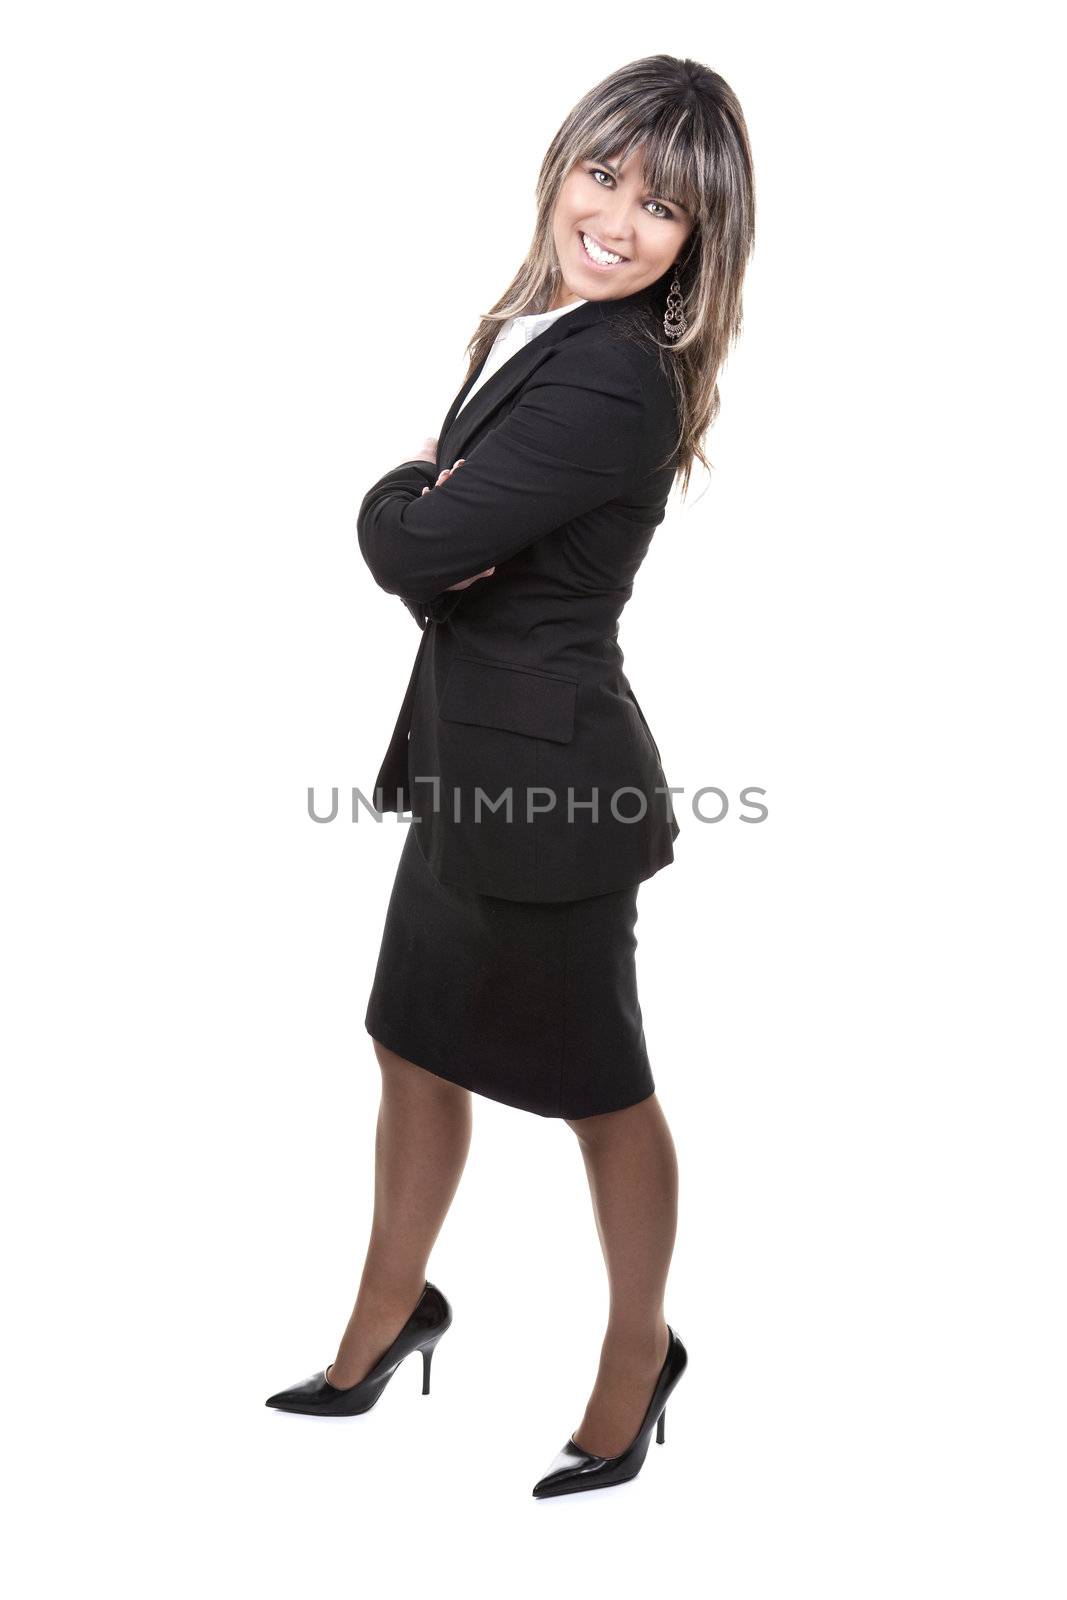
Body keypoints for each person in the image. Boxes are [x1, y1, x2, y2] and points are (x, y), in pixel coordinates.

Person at [266, 52, 755, 1499]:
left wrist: (401, 502)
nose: (618, 217)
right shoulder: (537, 321)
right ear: (562, 165)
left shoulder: (614, 376)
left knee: (602, 1092)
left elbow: (415, 549)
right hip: (469, 766)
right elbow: (448, 562)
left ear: (698, 243)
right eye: (605, 174)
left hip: (554, 794)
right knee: (409, 1042)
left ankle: (634, 1365)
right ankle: (386, 1321)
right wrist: (436, 530)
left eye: (663, 207)